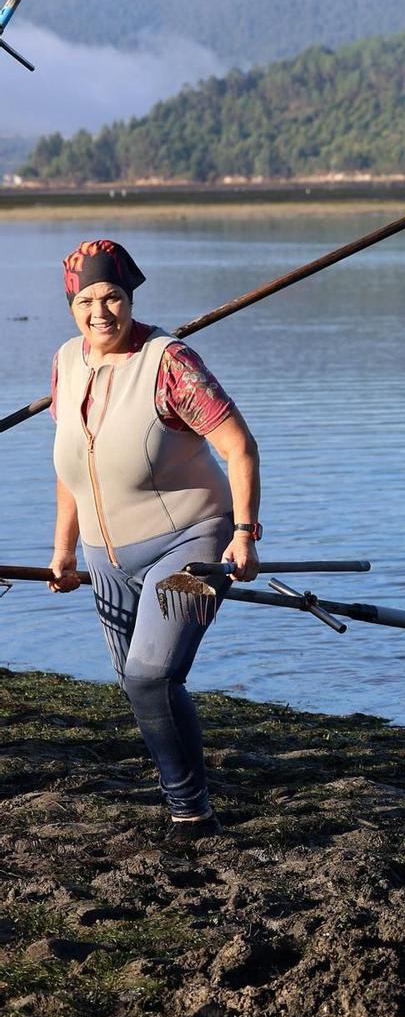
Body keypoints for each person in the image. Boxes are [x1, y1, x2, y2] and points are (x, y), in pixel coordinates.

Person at [44, 239, 262, 841]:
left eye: (111, 297)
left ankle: (191, 812)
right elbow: (72, 464)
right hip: (104, 552)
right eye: (86, 300)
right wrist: (63, 549)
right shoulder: (67, 361)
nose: (99, 312)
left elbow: (238, 447)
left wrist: (243, 533)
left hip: (192, 539)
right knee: (135, 679)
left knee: (150, 677)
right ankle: (184, 785)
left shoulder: (170, 362)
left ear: (130, 297)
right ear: (71, 305)